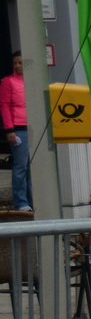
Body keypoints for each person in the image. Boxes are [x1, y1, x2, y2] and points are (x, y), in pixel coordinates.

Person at [2, 52, 28, 212]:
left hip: (32, 126)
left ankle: (31, 199)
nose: (17, 66)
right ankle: (21, 202)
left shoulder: (32, 80)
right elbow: (4, 105)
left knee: (30, 168)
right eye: (15, 63)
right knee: (20, 167)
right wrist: (9, 129)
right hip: (18, 128)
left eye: (20, 63)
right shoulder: (8, 81)